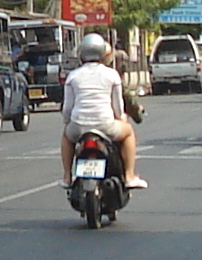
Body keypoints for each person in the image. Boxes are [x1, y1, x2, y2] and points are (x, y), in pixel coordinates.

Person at [59, 31, 144, 191]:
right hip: (106, 125)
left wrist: (68, 123)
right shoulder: (111, 75)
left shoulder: (73, 76)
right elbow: (118, 108)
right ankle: (130, 176)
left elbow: (67, 109)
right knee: (128, 132)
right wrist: (122, 119)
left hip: (78, 126)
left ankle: (67, 176)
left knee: (66, 135)